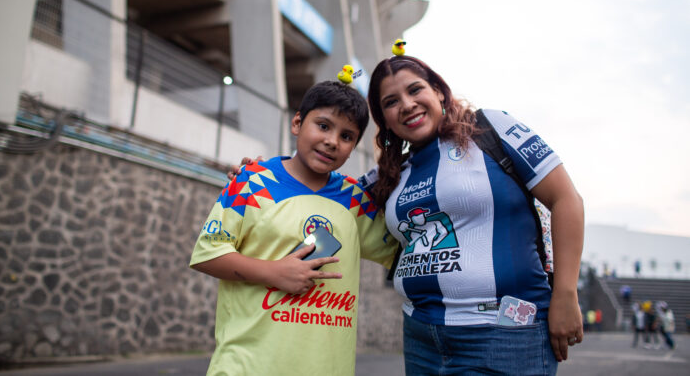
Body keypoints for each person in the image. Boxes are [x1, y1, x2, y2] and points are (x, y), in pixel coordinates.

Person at [362, 55, 585, 374]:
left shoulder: (491, 128)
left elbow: (566, 200)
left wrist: (566, 294)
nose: (408, 105)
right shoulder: (391, 173)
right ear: (384, 119)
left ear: (438, 91)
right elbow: (329, 193)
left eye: (415, 90)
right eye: (391, 102)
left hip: (505, 336)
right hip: (421, 336)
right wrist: (266, 171)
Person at [190, 81, 398, 375]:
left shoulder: (355, 201)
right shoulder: (252, 180)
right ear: (297, 123)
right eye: (323, 126)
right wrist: (274, 273)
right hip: (247, 367)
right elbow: (207, 253)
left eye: (347, 136)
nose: (332, 141)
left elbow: (406, 251)